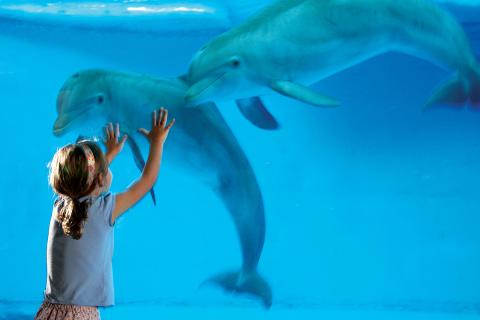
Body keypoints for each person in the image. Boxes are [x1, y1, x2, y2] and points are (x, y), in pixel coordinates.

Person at [35, 108, 175, 320]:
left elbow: (83, 181)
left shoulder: (60, 208)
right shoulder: (104, 209)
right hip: (81, 315)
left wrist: (106, 156)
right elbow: (147, 180)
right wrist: (157, 142)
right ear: (99, 179)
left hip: (49, 311)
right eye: (106, 168)